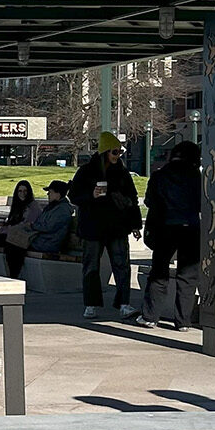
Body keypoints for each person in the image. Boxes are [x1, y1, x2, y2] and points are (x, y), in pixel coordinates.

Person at [69, 131, 142, 320]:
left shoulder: (122, 173)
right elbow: (74, 196)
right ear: (105, 152)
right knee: (91, 266)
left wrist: (134, 224)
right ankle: (91, 303)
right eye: (114, 152)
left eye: (119, 152)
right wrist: (91, 196)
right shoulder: (86, 171)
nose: (118, 156)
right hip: (93, 226)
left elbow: (132, 199)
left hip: (116, 226)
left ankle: (124, 303)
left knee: (122, 265)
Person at [134, 141, 202, 330]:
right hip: (190, 227)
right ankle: (183, 321)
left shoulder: (159, 175)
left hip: (164, 227)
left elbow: (149, 201)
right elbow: (201, 202)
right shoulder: (196, 176)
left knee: (159, 272)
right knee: (188, 276)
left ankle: (150, 316)